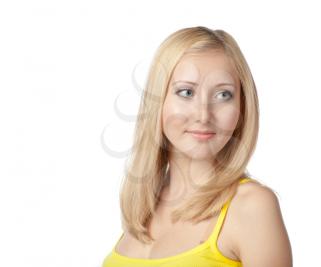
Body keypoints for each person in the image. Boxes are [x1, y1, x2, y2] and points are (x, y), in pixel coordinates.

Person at [102, 26, 293, 267]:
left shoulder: (251, 206)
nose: (203, 115)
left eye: (223, 95)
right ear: (158, 102)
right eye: (186, 92)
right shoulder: (143, 207)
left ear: (242, 109)